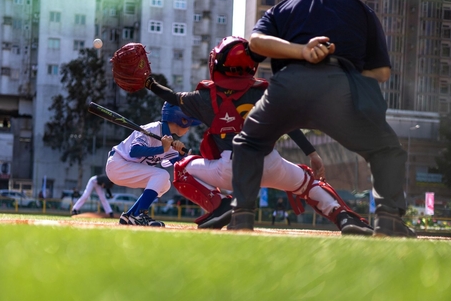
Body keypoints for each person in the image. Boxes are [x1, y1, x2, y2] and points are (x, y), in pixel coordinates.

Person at [228, 0, 415, 237]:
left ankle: (241, 217)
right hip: (340, 90)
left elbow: (256, 42)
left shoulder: (285, 6)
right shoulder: (363, 12)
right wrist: (351, 80)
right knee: (386, 150)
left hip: (288, 86)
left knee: (249, 142)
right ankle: (388, 221)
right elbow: (382, 72)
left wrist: (302, 51)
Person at [144, 36, 372, 234]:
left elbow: (172, 97)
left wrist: (149, 82)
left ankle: (220, 206)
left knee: (181, 169)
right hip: (269, 162)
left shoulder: (204, 97)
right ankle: (344, 217)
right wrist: (312, 153)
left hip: (230, 168)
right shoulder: (265, 91)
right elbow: (289, 124)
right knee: (308, 183)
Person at [105, 102, 200, 227]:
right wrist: (162, 149)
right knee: (162, 175)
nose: (189, 128)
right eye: (189, 123)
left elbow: (176, 164)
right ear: (181, 120)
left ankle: (129, 216)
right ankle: (140, 215)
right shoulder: (152, 129)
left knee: (164, 184)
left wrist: (181, 154)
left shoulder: (169, 141)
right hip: (118, 164)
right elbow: (134, 151)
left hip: (125, 168)